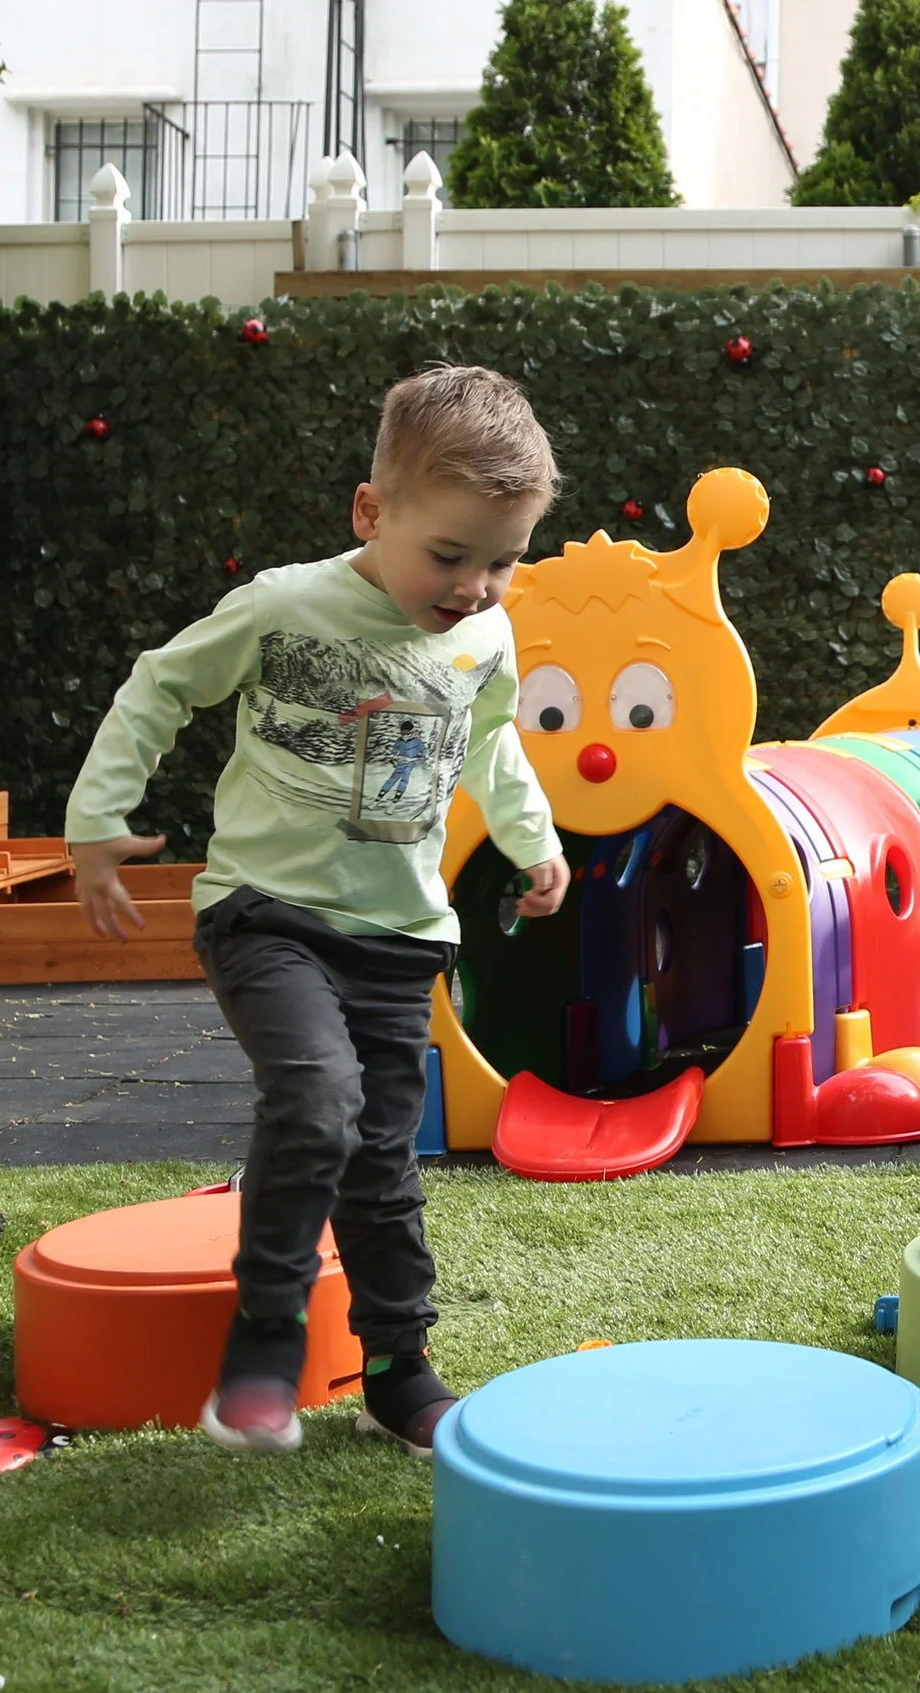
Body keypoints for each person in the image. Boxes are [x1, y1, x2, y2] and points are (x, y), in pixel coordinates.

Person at [64, 365, 573, 1451]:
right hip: (269, 913)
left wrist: (534, 840)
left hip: (398, 936)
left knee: (382, 1164)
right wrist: (96, 817)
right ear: (371, 512)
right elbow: (160, 682)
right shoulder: (286, 605)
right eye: (449, 555)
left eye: (503, 560)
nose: (475, 585)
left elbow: (490, 739)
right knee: (317, 1099)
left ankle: (399, 1367)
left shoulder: (486, 634)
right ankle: (262, 1346)